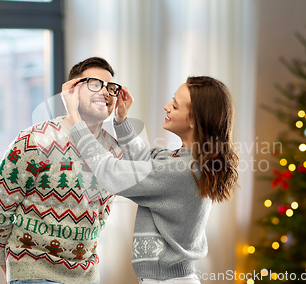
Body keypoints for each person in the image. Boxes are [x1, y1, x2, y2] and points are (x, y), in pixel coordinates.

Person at [62, 76, 239, 283]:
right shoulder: (184, 160)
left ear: (194, 120)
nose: (166, 107)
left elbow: (110, 172)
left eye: (175, 105)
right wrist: (121, 120)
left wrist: (75, 118)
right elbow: (146, 158)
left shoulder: (184, 169)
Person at [0, 57, 124, 284]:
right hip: (34, 274)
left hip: (87, 276)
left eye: (111, 87)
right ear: (73, 90)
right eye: (95, 84)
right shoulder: (35, 140)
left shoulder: (114, 151)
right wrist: (11, 269)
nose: (106, 92)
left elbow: (100, 216)